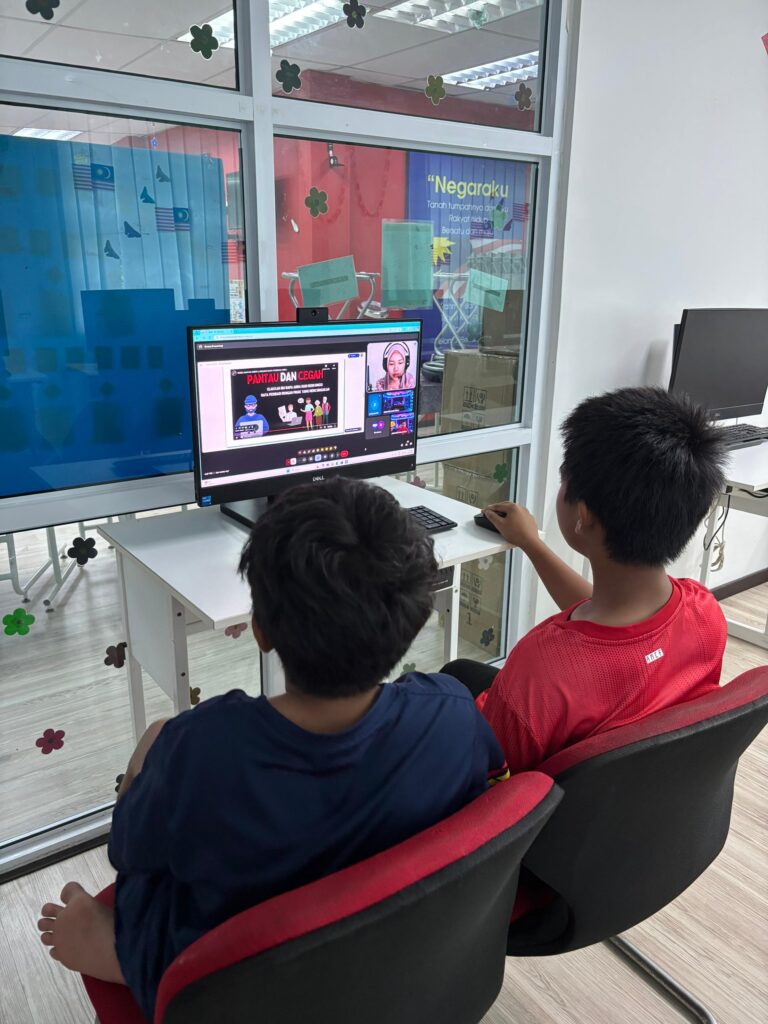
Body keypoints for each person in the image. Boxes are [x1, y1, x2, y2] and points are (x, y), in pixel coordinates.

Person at [37, 477, 508, 1021]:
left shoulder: (199, 752)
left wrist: (146, 770)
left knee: (157, 738)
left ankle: (127, 953)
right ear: (417, 618)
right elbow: (485, 790)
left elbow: (129, 854)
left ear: (259, 629)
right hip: (391, 955)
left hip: (239, 978)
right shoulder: (452, 712)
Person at [445, 386, 728, 774]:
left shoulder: (543, 667)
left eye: (564, 478)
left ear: (583, 513)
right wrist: (531, 544)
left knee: (446, 686)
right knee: (460, 672)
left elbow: (487, 780)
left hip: (508, 783)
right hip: (629, 796)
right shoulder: (705, 613)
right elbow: (611, 626)